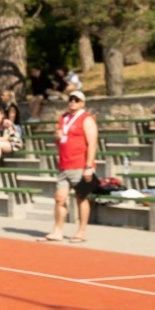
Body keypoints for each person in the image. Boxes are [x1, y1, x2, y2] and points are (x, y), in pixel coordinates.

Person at [44, 90, 99, 243]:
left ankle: (81, 232)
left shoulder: (87, 119)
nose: (73, 102)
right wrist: (57, 138)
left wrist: (89, 166)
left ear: (82, 103)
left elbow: (93, 143)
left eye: (76, 99)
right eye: (71, 99)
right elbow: (60, 141)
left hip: (80, 164)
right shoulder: (63, 118)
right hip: (64, 164)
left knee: (81, 197)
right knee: (59, 198)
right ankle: (57, 230)